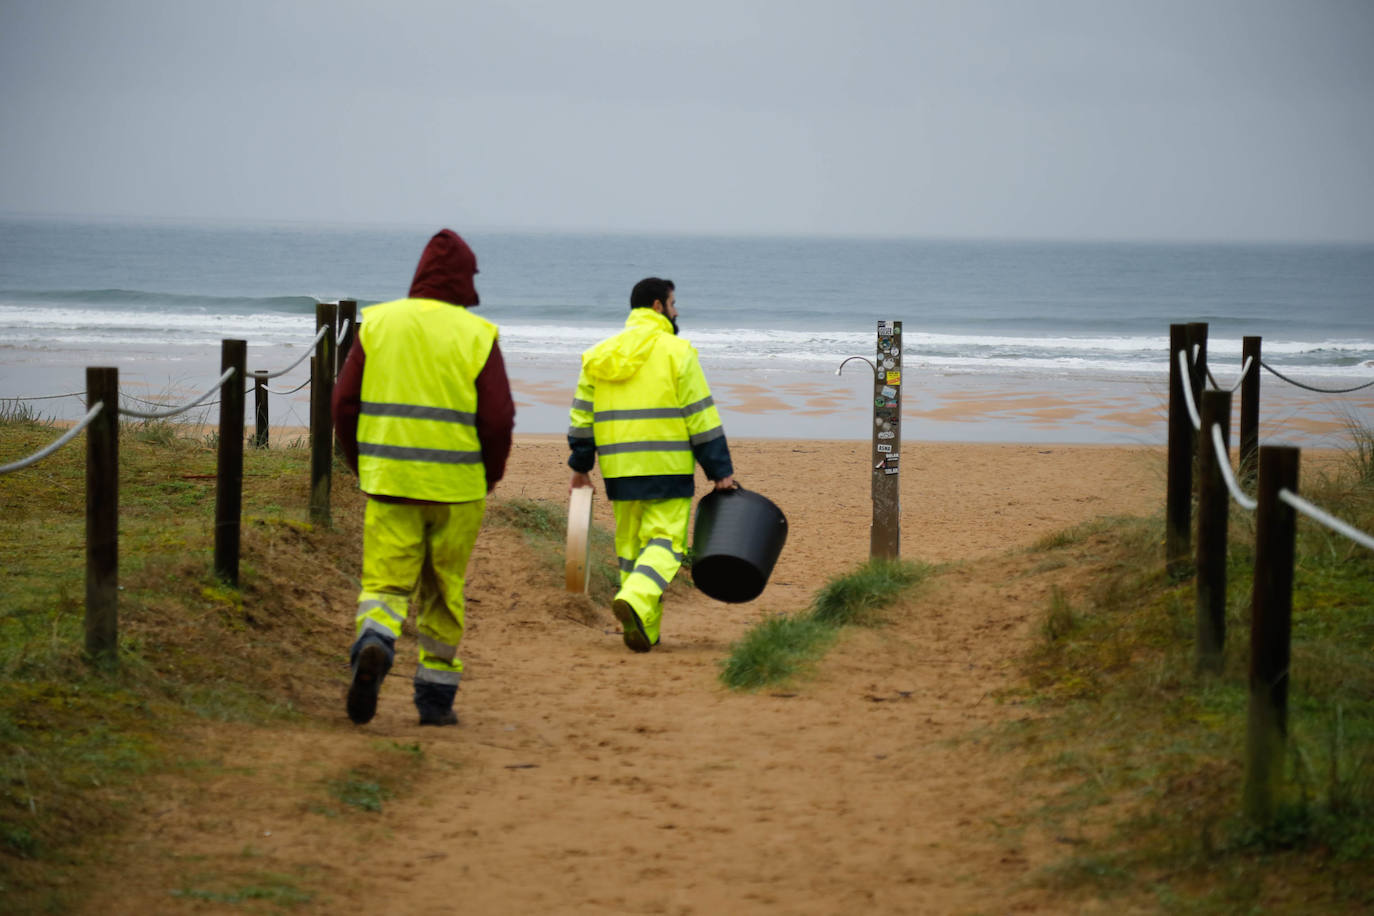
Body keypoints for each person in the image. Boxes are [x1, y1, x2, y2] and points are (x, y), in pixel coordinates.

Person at [333, 229, 514, 726]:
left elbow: (343, 404)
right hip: (457, 492)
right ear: (464, 279)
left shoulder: (379, 323)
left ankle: (375, 643)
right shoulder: (477, 334)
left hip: (391, 484)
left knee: (385, 585)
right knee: (443, 589)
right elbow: (497, 419)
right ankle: (435, 701)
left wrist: (361, 463)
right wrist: (490, 475)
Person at [568, 277, 734, 653]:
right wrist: (720, 472)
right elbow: (701, 418)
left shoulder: (599, 355)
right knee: (665, 545)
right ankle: (637, 599)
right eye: (674, 304)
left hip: (618, 471)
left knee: (631, 548)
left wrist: (581, 467)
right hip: (666, 467)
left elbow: (581, 420)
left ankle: (645, 629)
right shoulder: (678, 352)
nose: (678, 312)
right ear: (658, 306)